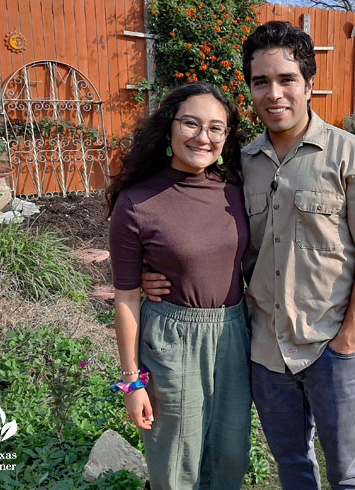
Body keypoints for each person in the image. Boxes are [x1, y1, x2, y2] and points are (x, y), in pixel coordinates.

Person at [143, 21, 355, 489]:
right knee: (292, 463)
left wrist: (348, 341)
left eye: (287, 79)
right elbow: (197, 223)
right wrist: (151, 269)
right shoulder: (238, 164)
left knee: (348, 472)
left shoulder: (352, 157)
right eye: (261, 82)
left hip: (330, 346)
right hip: (266, 350)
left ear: (309, 84)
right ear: (250, 89)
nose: (274, 93)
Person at [107, 82, 251, 490]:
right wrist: (131, 381)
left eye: (215, 128)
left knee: (230, 454)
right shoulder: (136, 203)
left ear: (226, 137)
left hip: (233, 334)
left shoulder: (237, 190)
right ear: (169, 129)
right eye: (191, 123)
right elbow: (126, 297)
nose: (202, 137)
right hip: (172, 338)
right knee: (174, 461)